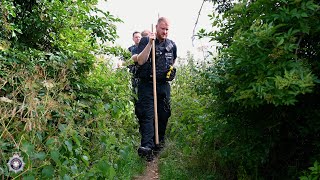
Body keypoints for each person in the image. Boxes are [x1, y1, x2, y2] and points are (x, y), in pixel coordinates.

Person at [134, 17, 177, 161]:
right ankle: (147, 147)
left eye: (167, 29)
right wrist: (150, 44)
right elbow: (140, 60)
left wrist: (171, 73)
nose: (165, 32)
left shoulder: (172, 45)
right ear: (156, 27)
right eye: (162, 29)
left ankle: (159, 145)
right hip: (147, 84)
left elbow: (173, 61)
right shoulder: (146, 40)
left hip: (163, 86)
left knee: (164, 114)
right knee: (148, 115)